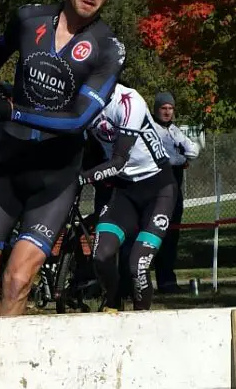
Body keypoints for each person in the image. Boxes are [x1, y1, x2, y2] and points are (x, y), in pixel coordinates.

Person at [0, 0, 128, 316]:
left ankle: (1, 360)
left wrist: (10, 111)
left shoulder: (108, 49)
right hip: (9, 165)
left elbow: (77, 120)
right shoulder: (29, 18)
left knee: (17, 280)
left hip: (54, 178)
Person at [80, 83, 177, 311]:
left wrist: (82, 178)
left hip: (158, 188)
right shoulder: (82, 101)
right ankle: (113, 304)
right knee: (101, 255)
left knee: (137, 267)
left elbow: (118, 161)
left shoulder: (129, 100)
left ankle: (141, 320)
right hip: (124, 190)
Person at [152, 92, 200, 293]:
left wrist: (181, 157)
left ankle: (167, 281)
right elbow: (163, 158)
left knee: (172, 237)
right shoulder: (151, 130)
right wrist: (181, 159)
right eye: (163, 108)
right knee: (154, 237)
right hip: (157, 190)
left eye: (170, 108)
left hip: (175, 190)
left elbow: (193, 150)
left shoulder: (175, 131)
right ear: (156, 110)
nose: (167, 112)